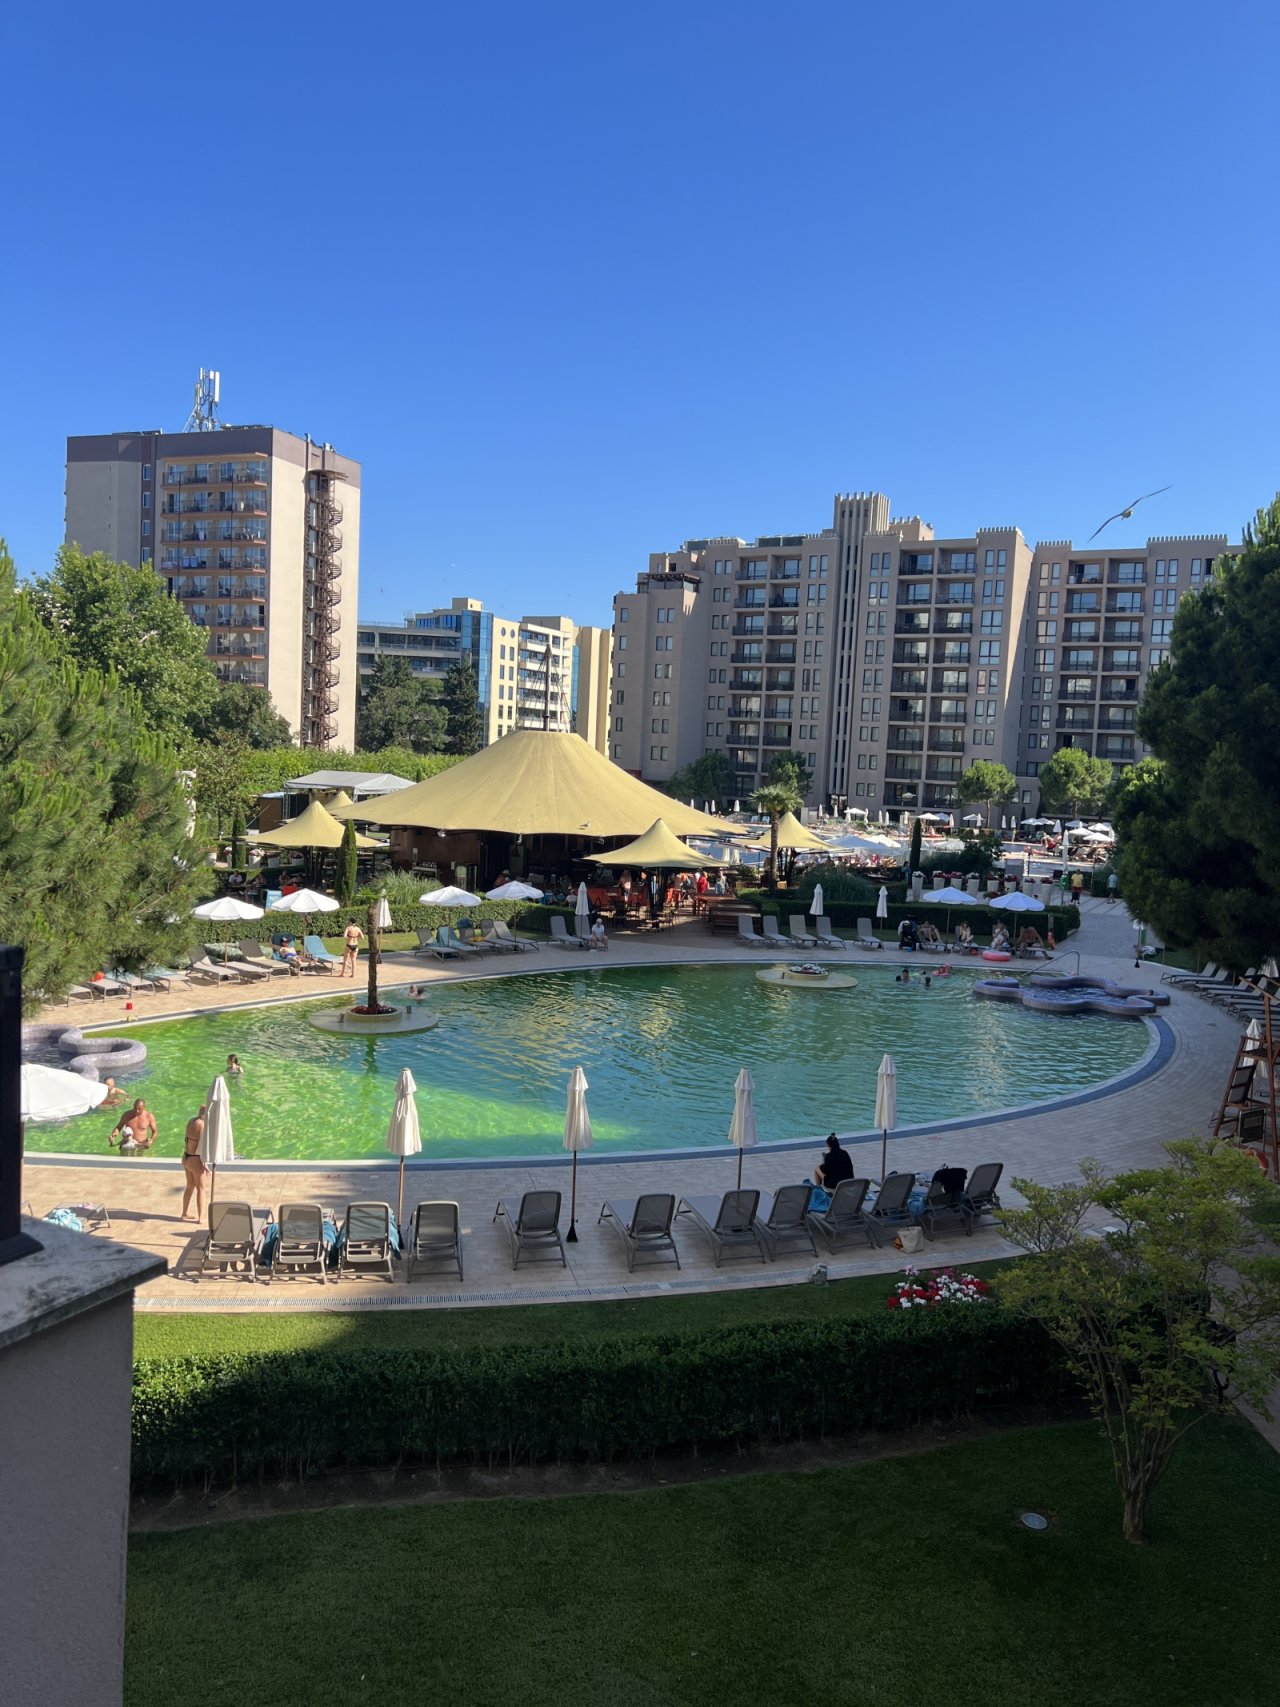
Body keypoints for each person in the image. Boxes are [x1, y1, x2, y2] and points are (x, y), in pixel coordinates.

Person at [181, 1104, 209, 1221]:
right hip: (196, 1159)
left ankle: (184, 1213)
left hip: (186, 1156)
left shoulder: (191, 1121)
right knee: (201, 1188)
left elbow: (187, 1139)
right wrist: (205, 1163)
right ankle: (201, 1217)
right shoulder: (202, 1125)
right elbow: (203, 1146)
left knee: (190, 1186)